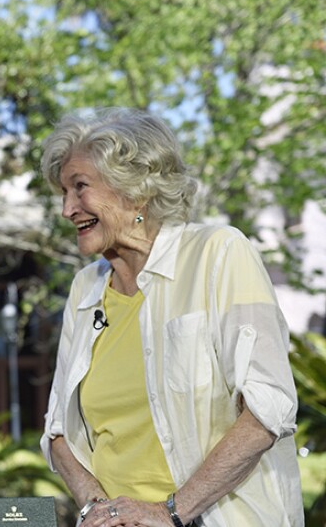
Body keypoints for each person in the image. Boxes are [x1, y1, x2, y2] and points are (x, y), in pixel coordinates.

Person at [38, 108, 303, 526]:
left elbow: (268, 409)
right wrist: (100, 511)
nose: (67, 209)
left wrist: (169, 511)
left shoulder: (219, 252)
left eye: (80, 188)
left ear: (136, 190)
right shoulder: (85, 289)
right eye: (64, 193)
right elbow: (57, 433)